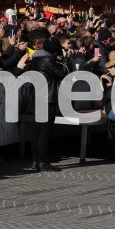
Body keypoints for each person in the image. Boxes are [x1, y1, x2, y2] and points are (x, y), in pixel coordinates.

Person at [25, 33, 71, 172]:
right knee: (45, 132)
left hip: (36, 98)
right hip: (47, 99)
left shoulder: (35, 59)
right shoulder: (48, 60)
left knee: (36, 131)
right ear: (55, 50)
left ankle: (35, 161)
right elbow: (64, 72)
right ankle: (43, 162)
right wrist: (65, 59)